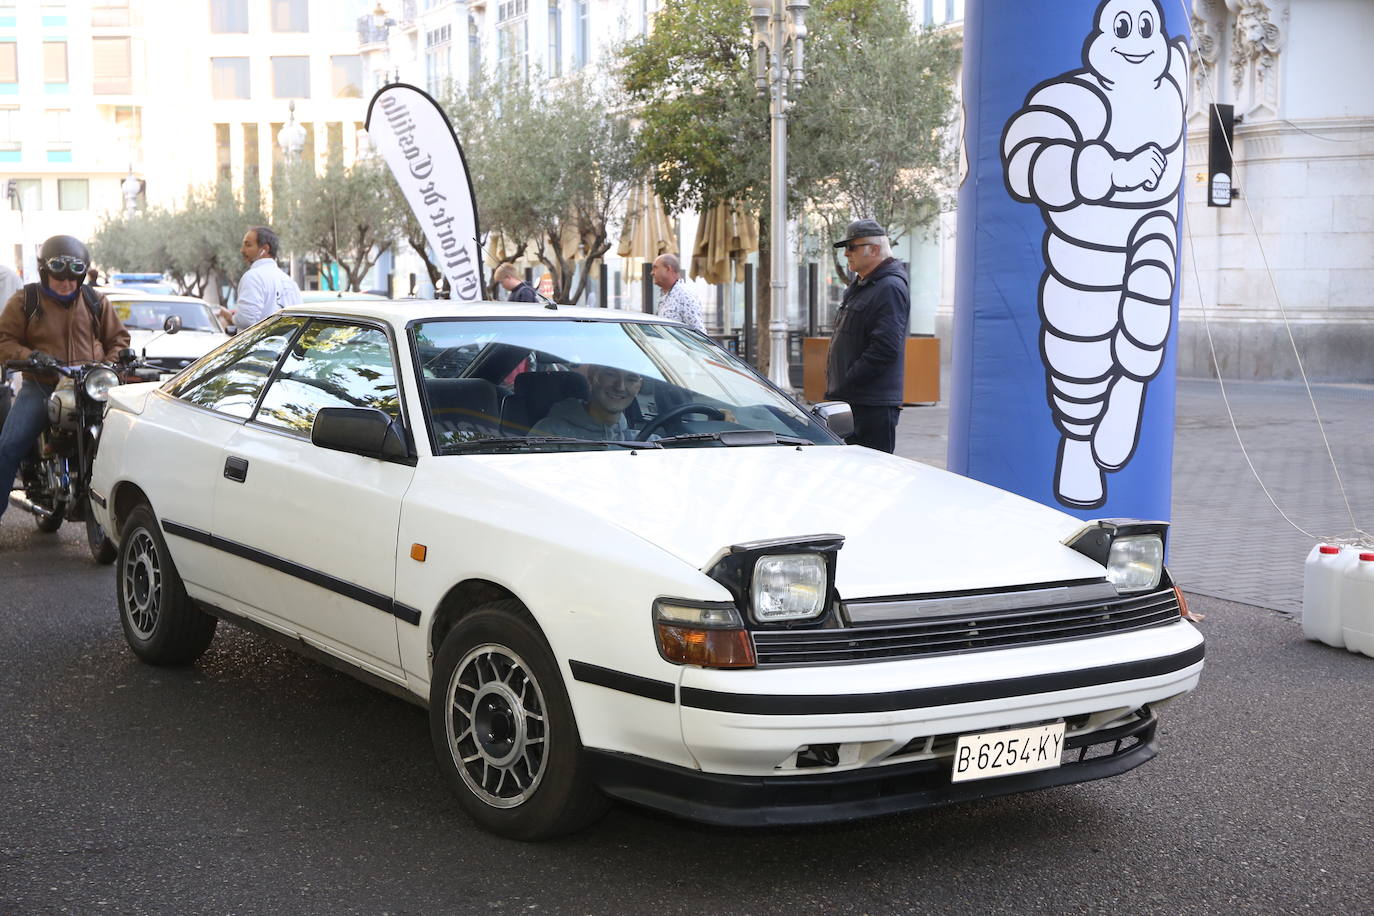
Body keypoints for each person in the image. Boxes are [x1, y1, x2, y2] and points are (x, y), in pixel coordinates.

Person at [0, 235, 130, 522]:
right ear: (46, 274)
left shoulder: (95, 300)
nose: (67, 285)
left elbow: (118, 339)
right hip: (42, 385)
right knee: (7, 448)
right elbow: (4, 340)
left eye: (73, 280)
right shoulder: (26, 299)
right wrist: (31, 356)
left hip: (88, 387)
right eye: (60, 279)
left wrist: (110, 364)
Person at [824, 218, 910, 453]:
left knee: (873, 479)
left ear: (874, 249)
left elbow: (885, 348)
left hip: (872, 405)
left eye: (852, 247)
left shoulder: (889, 287)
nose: (846, 254)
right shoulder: (864, 285)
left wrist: (849, 378)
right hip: (856, 402)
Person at [216, 226, 302, 329]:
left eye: (248, 245)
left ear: (264, 249)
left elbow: (246, 320)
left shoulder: (253, 277)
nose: (242, 250)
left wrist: (230, 317)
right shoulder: (290, 282)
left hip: (260, 344)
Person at [530, 366, 643, 441]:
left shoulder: (647, 442)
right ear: (592, 375)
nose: (620, 387)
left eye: (631, 379)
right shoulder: (549, 432)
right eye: (611, 374)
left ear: (639, 387)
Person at [651, 253, 705, 331]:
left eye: (655, 268)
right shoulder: (665, 294)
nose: (652, 272)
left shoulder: (685, 295)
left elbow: (699, 332)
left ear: (668, 269)